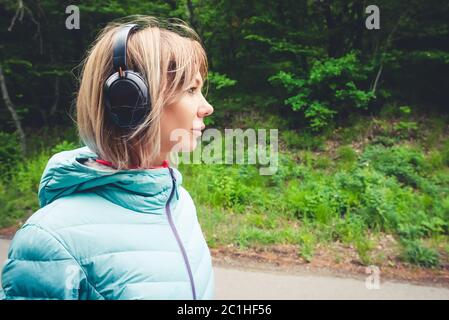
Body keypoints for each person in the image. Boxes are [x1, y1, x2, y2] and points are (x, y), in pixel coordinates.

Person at [0, 15, 215, 300]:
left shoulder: (179, 203)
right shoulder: (49, 241)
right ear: (130, 101)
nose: (207, 107)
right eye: (191, 90)